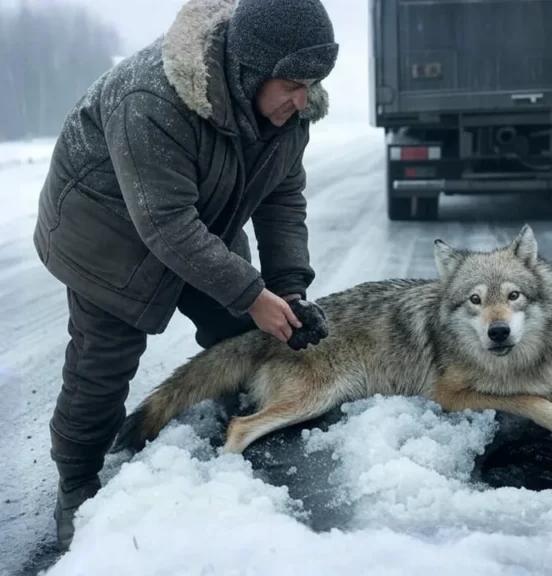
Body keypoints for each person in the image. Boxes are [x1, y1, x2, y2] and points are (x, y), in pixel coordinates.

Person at [31, 0, 338, 550]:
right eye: (292, 82)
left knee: (244, 330)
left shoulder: (292, 109)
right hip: (106, 229)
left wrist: (287, 288)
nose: (303, 97)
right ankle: (76, 483)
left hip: (198, 217)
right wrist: (252, 293)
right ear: (249, 70)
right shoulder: (151, 98)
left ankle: (246, 415)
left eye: (311, 82)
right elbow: (166, 224)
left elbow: (282, 199)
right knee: (103, 363)